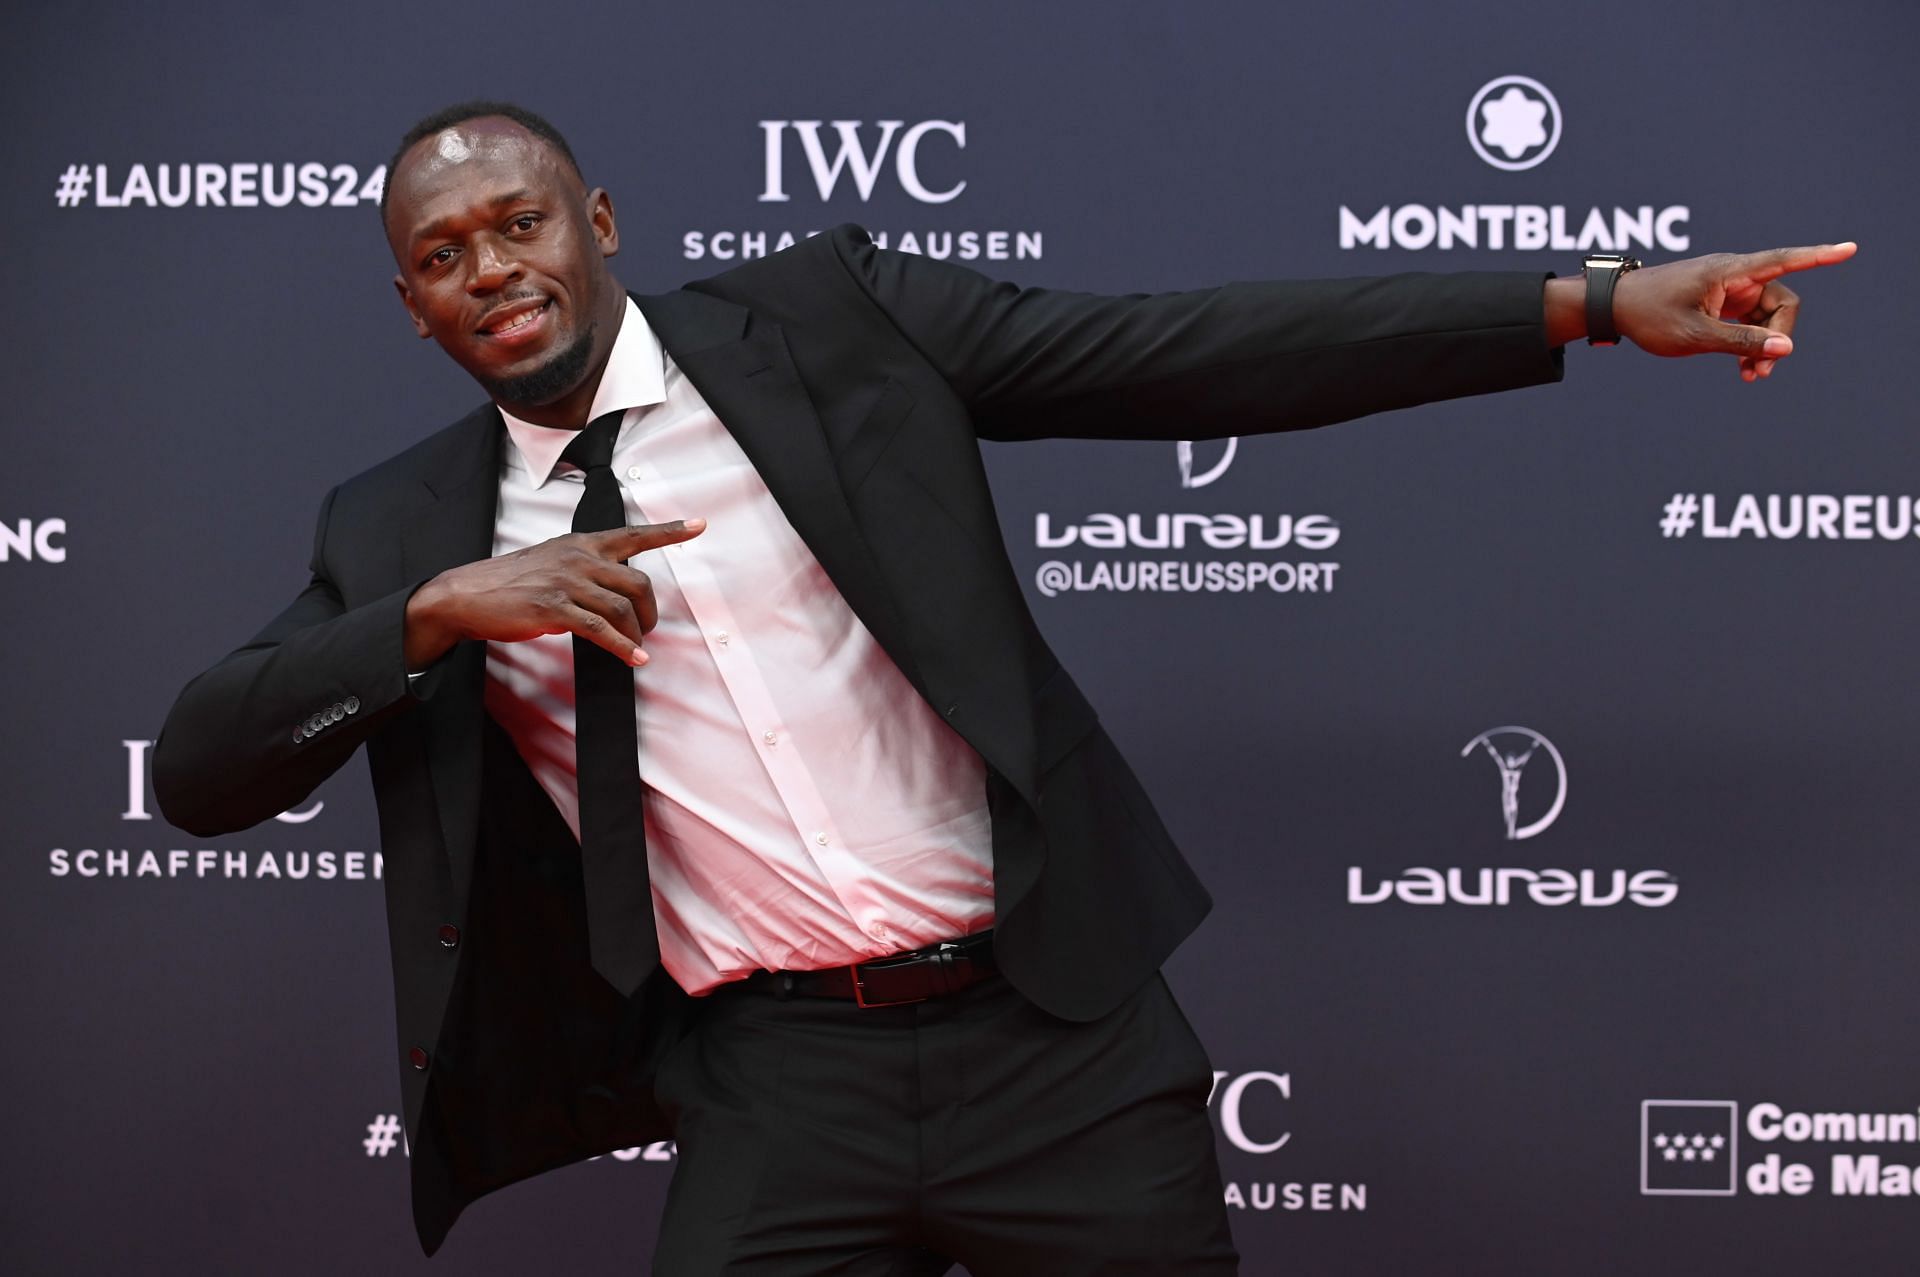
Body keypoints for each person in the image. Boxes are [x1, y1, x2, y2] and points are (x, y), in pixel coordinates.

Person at [153, 99, 1853, 1274]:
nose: (491, 267)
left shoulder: (838, 324)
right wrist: (438, 617)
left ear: (595, 221)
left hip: (1054, 1043)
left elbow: (1195, 349)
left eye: (518, 221)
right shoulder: (403, 526)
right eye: (442, 255)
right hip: (768, 1088)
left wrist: (1595, 304)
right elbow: (203, 768)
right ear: (410, 308)